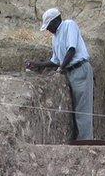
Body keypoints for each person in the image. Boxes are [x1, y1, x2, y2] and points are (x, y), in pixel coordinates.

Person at [25, 8, 95, 141]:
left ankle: (86, 142)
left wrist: (61, 69)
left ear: (56, 20)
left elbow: (71, 49)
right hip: (70, 72)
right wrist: (37, 64)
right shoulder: (55, 37)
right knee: (76, 110)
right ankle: (81, 140)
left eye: (49, 25)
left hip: (80, 70)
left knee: (83, 110)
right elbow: (55, 60)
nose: (48, 29)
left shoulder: (69, 25)